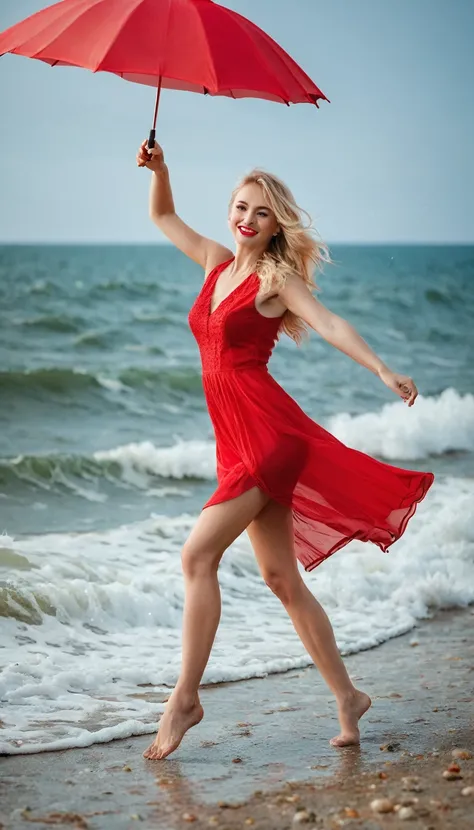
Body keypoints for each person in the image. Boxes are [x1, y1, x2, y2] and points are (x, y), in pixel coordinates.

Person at [136, 139, 434, 761]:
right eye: (241, 207)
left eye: (261, 213)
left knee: (196, 558)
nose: (247, 218)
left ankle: (185, 697)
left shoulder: (277, 279)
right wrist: (162, 171)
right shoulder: (217, 264)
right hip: (234, 440)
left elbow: (327, 324)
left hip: (267, 439)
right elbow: (162, 218)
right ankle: (348, 697)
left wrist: (381, 369)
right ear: (231, 212)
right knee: (281, 579)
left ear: (277, 226)